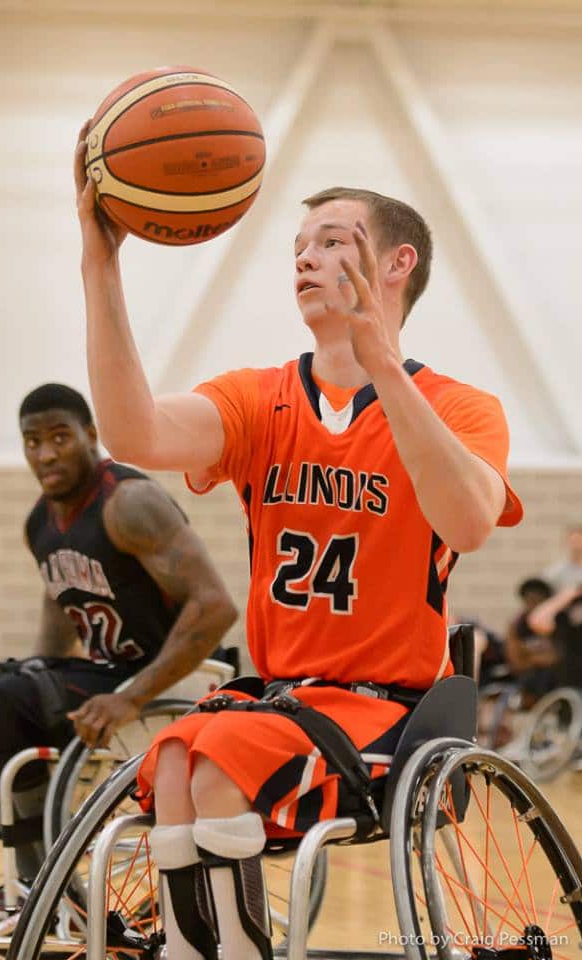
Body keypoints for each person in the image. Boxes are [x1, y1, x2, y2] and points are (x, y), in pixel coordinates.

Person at [74, 117, 523, 960]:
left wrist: (382, 362)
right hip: (280, 695)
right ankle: (197, 948)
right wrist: (102, 260)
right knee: (175, 756)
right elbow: (132, 434)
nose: (305, 259)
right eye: (298, 247)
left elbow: (466, 522)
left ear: (397, 264)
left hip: (389, 710)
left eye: (331, 241)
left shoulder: (462, 409)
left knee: (215, 761)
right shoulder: (257, 398)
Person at [0, 383, 237, 920]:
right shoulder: (40, 523)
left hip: (177, 677)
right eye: (32, 441)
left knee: (8, 700)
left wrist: (129, 697)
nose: (47, 453)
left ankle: (42, 882)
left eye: (60, 437)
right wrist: (37, 670)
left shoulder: (130, 503)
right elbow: (62, 602)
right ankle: (25, 871)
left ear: (90, 435)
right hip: (112, 673)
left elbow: (217, 606)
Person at [505, 577, 559, 705]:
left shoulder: (558, 623)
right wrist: (537, 660)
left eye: (538, 600)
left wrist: (536, 658)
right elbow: (515, 661)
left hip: (555, 677)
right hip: (528, 676)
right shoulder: (517, 625)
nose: (533, 605)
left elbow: (560, 657)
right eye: (530, 600)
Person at [543, 525, 582, 591]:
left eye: (579, 540)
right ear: (566, 542)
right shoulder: (554, 571)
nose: (576, 545)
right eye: (573, 541)